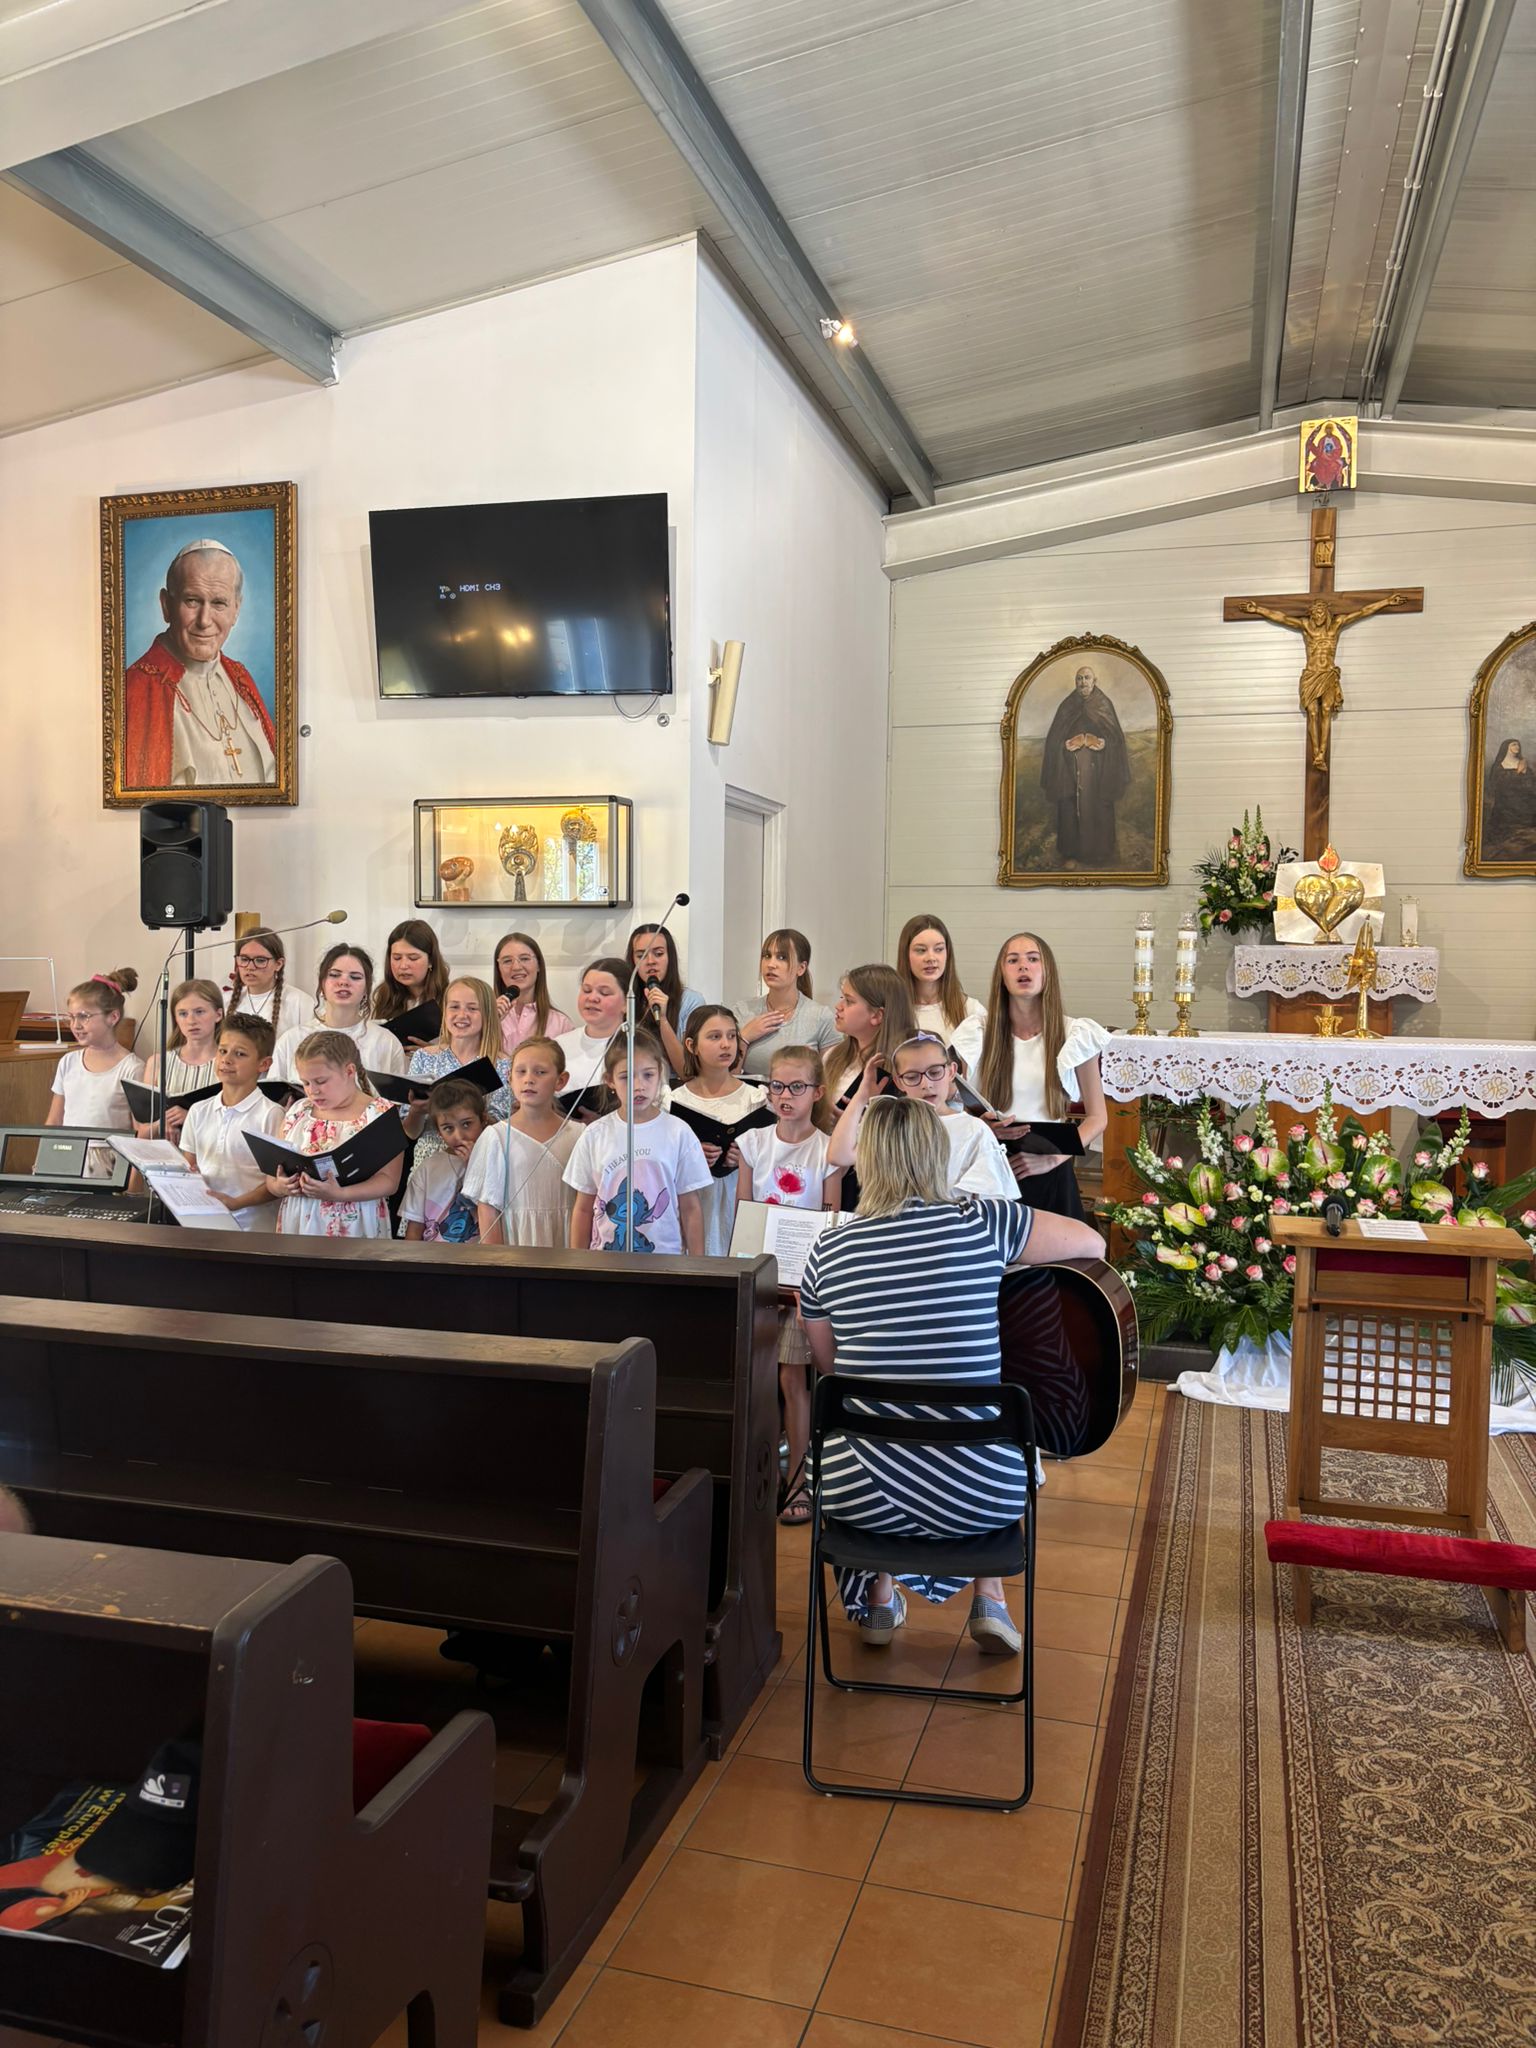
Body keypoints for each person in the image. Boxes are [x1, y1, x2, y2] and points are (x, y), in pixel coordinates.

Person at [799, 1094, 1101, 1650]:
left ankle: (878, 1598)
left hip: (857, 1494)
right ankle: (991, 1599)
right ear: (936, 1153)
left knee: (865, 1417)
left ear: (868, 1158)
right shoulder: (985, 1222)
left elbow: (829, 1367)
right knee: (1005, 1431)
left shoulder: (828, 1247)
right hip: (982, 1493)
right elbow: (1092, 1242)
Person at [735, 1045, 842, 1523]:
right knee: (757, 1377)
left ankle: (800, 1478)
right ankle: (760, 1477)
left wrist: (810, 1289)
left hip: (804, 1282)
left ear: (817, 1092)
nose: (785, 1095)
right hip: (760, 1276)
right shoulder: (753, 1143)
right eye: (776, 1085)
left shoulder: (828, 1150)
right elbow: (745, 1214)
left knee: (791, 1377)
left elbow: (829, 1220)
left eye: (797, 1086)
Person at [951, 932, 1108, 1219]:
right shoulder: (977, 1032)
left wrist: (1053, 1159)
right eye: (1013, 960)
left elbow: (1098, 1118)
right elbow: (956, 1106)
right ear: (1002, 975)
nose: (1023, 966)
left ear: (1047, 971)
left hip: (1050, 1165)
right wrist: (983, 1126)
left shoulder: (1075, 1034)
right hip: (991, 1164)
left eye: (1033, 959)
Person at [121, 538, 276, 789]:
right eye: (192, 601)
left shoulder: (241, 679)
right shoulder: (134, 689)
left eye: (219, 603)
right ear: (166, 605)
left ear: (236, 610)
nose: (204, 621)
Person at [564, 1030, 709, 1255]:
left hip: (665, 1260)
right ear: (610, 1080)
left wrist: (699, 1266)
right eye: (626, 1077)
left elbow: (690, 1208)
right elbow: (583, 1209)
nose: (639, 1086)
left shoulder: (679, 1132)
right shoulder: (595, 1135)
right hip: (605, 1262)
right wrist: (578, 1263)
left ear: (660, 1074)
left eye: (648, 1075)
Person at [830, 1033, 1016, 1202]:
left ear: (951, 1071)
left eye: (935, 1073)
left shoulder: (974, 1129)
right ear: (899, 1082)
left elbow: (993, 1196)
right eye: (912, 1077)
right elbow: (839, 1156)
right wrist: (861, 1096)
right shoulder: (890, 1124)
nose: (926, 1084)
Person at [264, 1030, 403, 1238]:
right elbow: (272, 1176)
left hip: (355, 1221)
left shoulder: (380, 1113)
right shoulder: (299, 1111)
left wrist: (340, 1194)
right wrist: (281, 1186)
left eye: (321, 1081)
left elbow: (389, 1181)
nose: (313, 1091)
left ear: (349, 1071)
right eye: (306, 1083)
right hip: (299, 1219)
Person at [465, 1036, 579, 1247]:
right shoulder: (496, 1137)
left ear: (561, 1080)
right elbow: (487, 1208)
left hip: (567, 1243)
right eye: (521, 1071)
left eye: (540, 1072)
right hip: (516, 1247)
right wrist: (497, 1261)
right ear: (510, 1078)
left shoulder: (579, 1135)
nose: (529, 1079)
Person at [672, 1005, 764, 1256]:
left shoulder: (755, 1097)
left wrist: (746, 1157)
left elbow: (772, 1157)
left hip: (738, 1197)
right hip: (695, 1201)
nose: (726, 1044)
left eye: (731, 1036)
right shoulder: (674, 1100)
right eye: (714, 1037)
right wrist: (692, 1155)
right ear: (692, 1045)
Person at [824, 963, 917, 1211]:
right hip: (828, 1177)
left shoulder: (902, 1069)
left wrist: (856, 1123)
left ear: (877, 1015)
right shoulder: (833, 1057)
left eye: (849, 1001)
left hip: (873, 1187)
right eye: (842, 998)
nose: (838, 1006)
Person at [178, 1015, 284, 1230]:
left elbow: (276, 1183)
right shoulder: (198, 1110)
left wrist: (236, 1203)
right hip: (203, 1224)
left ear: (264, 1064)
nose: (226, 1060)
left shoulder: (272, 1114)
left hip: (253, 1229)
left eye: (240, 1054)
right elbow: (189, 1165)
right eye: (223, 1051)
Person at [402, 978, 510, 1162]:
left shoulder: (504, 1065)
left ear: (488, 1014)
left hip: (478, 1158)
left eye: (472, 1008)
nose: (462, 1015)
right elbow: (411, 1132)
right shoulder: (424, 1057)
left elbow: (503, 1129)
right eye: (454, 1007)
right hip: (428, 1163)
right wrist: (417, 1111)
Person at [46, 971, 144, 1162]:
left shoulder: (132, 1068)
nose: (76, 1025)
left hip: (109, 1163)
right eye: (71, 1017)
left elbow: (139, 1132)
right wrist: (45, 1160)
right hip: (68, 1157)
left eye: (84, 1016)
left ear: (113, 1017)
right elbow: (54, 1120)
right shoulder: (68, 1062)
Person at [1039, 664, 1131, 866]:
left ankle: (1100, 854)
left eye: (1086, 678)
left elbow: (1115, 739)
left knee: (1098, 807)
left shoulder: (1103, 704)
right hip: (1069, 770)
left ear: (1094, 681)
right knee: (1069, 807)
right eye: (1079, 679)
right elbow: (1054, 739)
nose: (1083, 682)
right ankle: (1070, 853)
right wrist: (1066, 744)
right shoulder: (1067, 705)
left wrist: (1100, 742)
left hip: (1098, 772)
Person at [271, 946, 406, 1083]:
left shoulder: (386, 1042)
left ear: (367, 988)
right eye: (334, 975)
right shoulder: (291, 1039)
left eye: (355, 977)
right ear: (322, 983)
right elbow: (272, 1092)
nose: (344, 982)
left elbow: (399, 1095)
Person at [737, 929, 839, 1080]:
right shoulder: (742, 1011)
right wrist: (744, 1038)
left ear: (801, 968)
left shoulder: (821, 1017)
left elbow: (831, 1080)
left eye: (782, 957)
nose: (771, 964)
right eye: (767, 956)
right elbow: (726, 1078)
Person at [399, 1079, 488, 1243]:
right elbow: (414, 1230)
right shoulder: (428, 1168)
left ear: (483, 1120)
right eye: (448, 1128)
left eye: (466, 1124)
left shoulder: (495, 1161)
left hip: (479, 1255)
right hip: (433, 1256)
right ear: (439, 1132)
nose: (459, 1136)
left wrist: (474, 1165)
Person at [136, 977, 223, 1141]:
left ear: (218, 1014)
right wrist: (163, 1123)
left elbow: (236, 1124)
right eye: (183, 1014)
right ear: (175, 1018)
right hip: (163, 1152)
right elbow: (142, 1132)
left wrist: (191, 1118)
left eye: (199, 1012)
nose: (191, 1021)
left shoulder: (227, 1064)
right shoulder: (158, 1063)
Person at [627, 924, 703, 1076]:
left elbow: (688, 1072)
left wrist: (663, 1020)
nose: (650, 961)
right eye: (641, 955)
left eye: (658, 954)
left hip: (675, 1085)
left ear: (670, 958)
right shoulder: (627, 1000)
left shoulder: (691, 1001)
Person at [553, 957, 632, 1101]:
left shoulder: (639, 1046)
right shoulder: (559, 1045)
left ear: (627, 1003)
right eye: (587, 990)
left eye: (604, 993)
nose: (592, 998)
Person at [897, 914, 985, 1038]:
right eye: (921, 950)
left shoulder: (972, 1011)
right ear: (905, 955)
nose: (931, 958)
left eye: (938, 949)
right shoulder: (892, 1011)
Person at [491, 931, 572, 1054]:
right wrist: (490, 1022)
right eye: (507, 961)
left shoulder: (561, 1024)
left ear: (539, 965)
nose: (516, 967)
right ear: (499, 969)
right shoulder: (482, 1018)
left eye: (524, 959)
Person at [372, 920, 449, 1045]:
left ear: (431, 960)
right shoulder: (380, 996)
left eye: (413, 958)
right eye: (397, 958)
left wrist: (434, 1052)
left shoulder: (451, 997)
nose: (403, 965)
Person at [225, 927, 310, 1036]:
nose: (250, 967)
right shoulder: (226, 1000)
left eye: (260, 960)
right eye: (244, 959)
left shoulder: (300, 1002)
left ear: (278, 964)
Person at [1486, 738, 1536, 850]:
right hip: (1505, 800)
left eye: (1518, 745)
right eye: (1514, 744)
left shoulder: (1523, 763)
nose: (1517, 747)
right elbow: (1497, 783)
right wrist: (1519, 772)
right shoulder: (1499, 765)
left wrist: (1524, 772)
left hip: (1523, 799)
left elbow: (1531, 783)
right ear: (1506, 747)